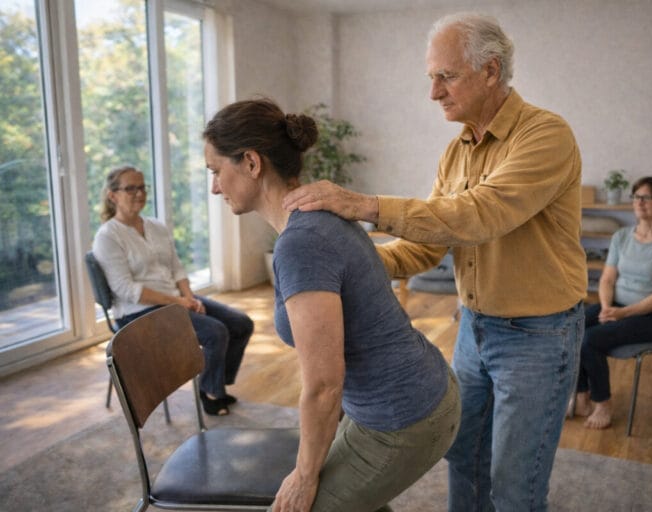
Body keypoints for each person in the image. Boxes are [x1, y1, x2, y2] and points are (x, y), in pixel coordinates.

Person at [282, 12, 586, 512]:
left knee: (516, 485)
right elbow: (428, 243)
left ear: (490, 71)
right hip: (475, 328)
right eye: (432, 78)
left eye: (446, 76)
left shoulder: (546, 135)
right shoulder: (456, 152)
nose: (434, 92)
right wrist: (347, 272)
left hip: (539, 335)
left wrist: (364, 205)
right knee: (463, 456)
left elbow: (479, 215)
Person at [202, 98, 461, 512]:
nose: (214, 186)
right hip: (412, 393)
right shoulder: (321, 211)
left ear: (251, 163)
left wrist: (304, 477)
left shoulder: (302, 241)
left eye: (216, 171)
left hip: (405, 417)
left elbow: (323, 386)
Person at [92, 165, 253, 416]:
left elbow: (177, 268)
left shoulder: (156, 226)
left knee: (241, 323)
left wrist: (187, 297)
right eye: (130, 188)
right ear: (112, 195)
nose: (139, 193)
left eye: (142, 187)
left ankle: (214, 382)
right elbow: (126, 289)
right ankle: (210, 392)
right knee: (215, 333)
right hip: (137, 313)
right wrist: (178, 302)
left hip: (172, 300)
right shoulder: (108, 236)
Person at [573, 176, 652, 429]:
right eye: (636, 197)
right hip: (614, 306)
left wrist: (623, 313)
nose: (640, 202)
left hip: (651, 318)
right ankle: (581, 395)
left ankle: (603, 402)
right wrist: (605, 307)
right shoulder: (622, 236)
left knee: (591, 339)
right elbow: (607, 279)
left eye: (647, 197)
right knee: (573, 325)